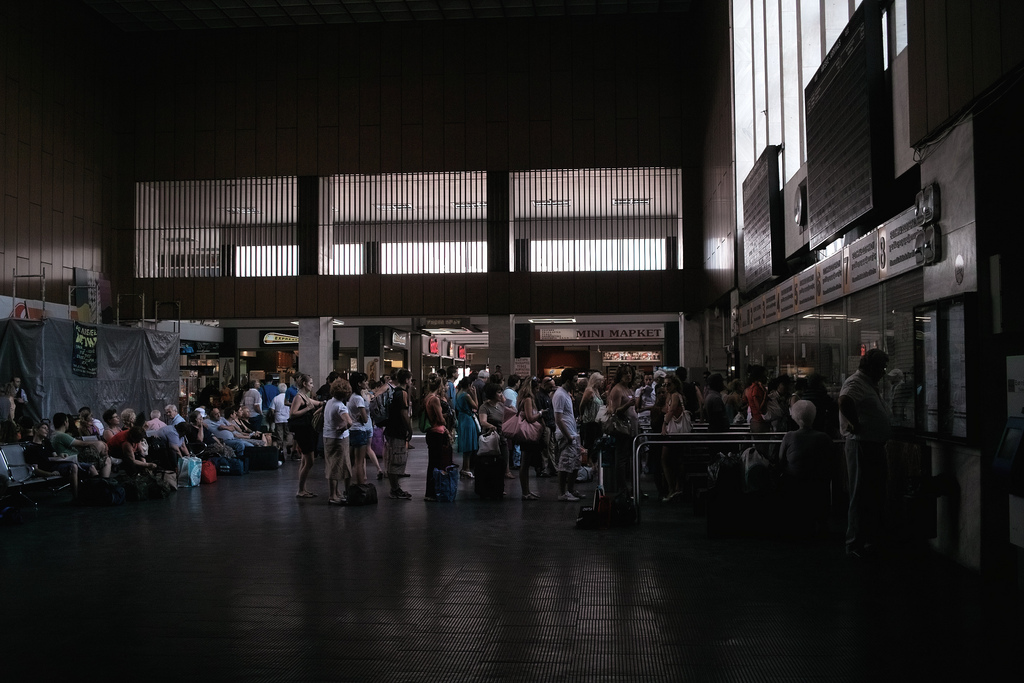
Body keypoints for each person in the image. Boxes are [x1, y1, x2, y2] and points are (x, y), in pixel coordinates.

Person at [839, 348, 891, 560]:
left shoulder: (868, 383)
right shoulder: (856, 383)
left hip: (872, 445)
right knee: (860, 494)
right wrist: (856, 424)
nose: (883, 372)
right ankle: (855, 544)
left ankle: (869, 540)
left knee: (873, 493)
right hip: (861, 445)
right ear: (872, 367)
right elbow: (844, 401)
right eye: (881, 368)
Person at [778, 399, 834, 537]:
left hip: (794, 483)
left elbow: (781, 461)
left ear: (795, 416)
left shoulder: (789, 437)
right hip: (819, 483)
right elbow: (831, 462)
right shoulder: (824, 438)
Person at [24, 420, 101, 500]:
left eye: (47, 429)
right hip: (50, 468)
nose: (47, 430)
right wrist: (49, 474)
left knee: (91, 467)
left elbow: (55, 456)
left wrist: (61, 455)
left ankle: (100, 493)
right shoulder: (31, 448)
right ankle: (76, 498)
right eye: (44, 428)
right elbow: (35, 469)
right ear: (36, 430)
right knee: (73, 466)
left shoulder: (47, 444)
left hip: (58, 464)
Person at [605, 365, 638, 494]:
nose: (628, 376)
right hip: (622, 429)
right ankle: (622, 487)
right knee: (622, 459)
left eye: (630, 373)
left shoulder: (628, 389)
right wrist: (627, 405)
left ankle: (631, 486)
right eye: (625, 374)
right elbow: (615, 410)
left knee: (629, 457)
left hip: (631, 428)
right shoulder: (617, 390)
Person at [552, 367, 584, 501]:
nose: (576, 383)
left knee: (575, 463)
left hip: (571, 432)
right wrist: (568, 436)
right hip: (566, 434)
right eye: (575, 381)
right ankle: (562, 493)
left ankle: (570, 489)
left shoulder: (565, 394)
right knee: (565, 465)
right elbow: (558, 418)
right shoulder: (560, 395)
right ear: (568, 381)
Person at [291, 373, 323, 499]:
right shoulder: (299, 397)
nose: (312, 385)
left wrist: (323, 403)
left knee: (305, 460)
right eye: (310, 383)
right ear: (304, 384)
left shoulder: (304, 396)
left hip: (306, 430)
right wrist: (307, 409)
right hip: (302, 432)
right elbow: (293, 413)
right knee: (309, 461)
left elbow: (316, 403)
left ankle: (302, 488)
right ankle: (300, 489)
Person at [422, 373, 453, 501]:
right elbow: (440, 418)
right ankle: (432, 492)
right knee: (436, 463)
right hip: (437, 433)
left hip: (432, 433)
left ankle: (431, 491)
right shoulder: (434, 399)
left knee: (433, 463)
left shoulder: (427, 397)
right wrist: (445, 418)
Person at [383, 369, 414, 500]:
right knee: (396, 460)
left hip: (391, 429)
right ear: (406, 380)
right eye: (410, 380)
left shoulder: (394, 392)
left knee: (392, 459)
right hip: (397, 431)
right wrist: (410, 429)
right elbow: (403, 413)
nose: (411, 382)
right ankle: (395, 489)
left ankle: (395, 488)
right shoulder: (402, 393)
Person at [323, 377, 354, 505]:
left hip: (327, 436)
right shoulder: (341, 407)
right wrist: (343, 428)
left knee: (331, 464)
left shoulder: (330, 402)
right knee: (337, 467)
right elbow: (349, 422)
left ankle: (335, 492)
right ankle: (333, 495)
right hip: (339, 439)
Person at [51, 412, 111, 477]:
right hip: (75, 459)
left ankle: (104, 478)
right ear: (65, 422)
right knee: (102, 450)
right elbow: (81, 444)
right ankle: (105, 481)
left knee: (105, 456)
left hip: (71, 458)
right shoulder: (61, 435)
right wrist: (99, 442)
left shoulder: (53, 435)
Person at [516, 377, 546, 500]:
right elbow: (529, 418)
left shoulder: (522, 398)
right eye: (537, 388)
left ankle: (527, 491)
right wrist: (540, 413)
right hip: (528, 436)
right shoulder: (528, 399)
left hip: (525, 435)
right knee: (525, 464)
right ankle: (525, 492)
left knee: (526, 463)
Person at [478, 382, 512, 480]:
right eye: (498, 392)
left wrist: (504, 400)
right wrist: (491, 426)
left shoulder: (501, 405)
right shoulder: (484, 407)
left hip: (502, 437)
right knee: (493, 463)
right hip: (491, 438)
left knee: (504, 460)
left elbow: (512, 410)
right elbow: (482, 421)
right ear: (492, 394)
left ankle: (502, 482)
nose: (501, 394)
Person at [659, 375, 686, 501]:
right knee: (673, 459)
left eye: (669, 384)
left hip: (673, 431)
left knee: (667, 458)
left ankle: (674, 488)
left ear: (675, 384)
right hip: (674, 430)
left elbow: (671, 410)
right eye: (664, 384)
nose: (666, 387)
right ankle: (676, 487)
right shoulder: (670, 396)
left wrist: (664, 424)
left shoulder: (674, 395)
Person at [346, 373, 374, 488]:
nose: (366, 383)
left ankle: (348, 486)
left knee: (352, 461)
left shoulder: (352, 397)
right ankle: (360, 485)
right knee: (359, 462)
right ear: (359, 383)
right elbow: (364, 418)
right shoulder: (358, 399)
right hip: (359, 430)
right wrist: (363, 417)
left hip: (352, 430)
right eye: (364, 381)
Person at [454, 376, 479, 480]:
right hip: (468, 420)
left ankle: (465, 468)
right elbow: (476, 406)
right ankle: (467, 469)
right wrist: (475, 394)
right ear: (469, 385)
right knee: (469, 445)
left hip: (461, 419)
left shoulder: (458, 394)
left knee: (465, 444)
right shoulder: (466, 395)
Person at [535, 376, 558, 477]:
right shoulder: (540, 396)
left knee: (551, 447)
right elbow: (540, 412)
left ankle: (552, 468)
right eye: (550, 387)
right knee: (545, 448)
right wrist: (543, 426)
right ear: (544, 385)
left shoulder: (547, 395)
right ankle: (544, 469)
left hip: (550, 424)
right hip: (545, 425)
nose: (552, 389)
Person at [578, 372, 605, 451]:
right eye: (600, 381)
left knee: (597, 444)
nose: (602, 383)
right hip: (590, 422)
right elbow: (582, 405)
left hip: (597, 422)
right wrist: (581, 416)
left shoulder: (597, 391)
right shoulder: (589, 391)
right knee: (590, 444)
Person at [744, 365, 769, 434]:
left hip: (755, 419)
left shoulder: (751, 388)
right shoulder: (756, 389)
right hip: (759, 421)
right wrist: (765, 394)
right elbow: (760, 408)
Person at [270, 382, 291, 458]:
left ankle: (281, 448)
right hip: (287, 417)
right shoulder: (288, 398)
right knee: (287, 433)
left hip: (278, 418)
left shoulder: (276, 398)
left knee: (279, 434)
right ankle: (288, 445)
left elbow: (272, 409)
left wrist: (273, 416)